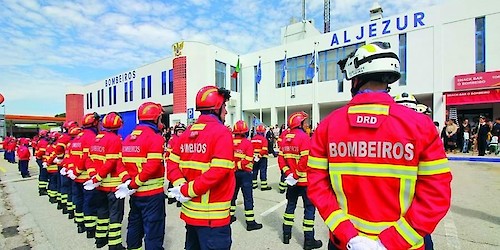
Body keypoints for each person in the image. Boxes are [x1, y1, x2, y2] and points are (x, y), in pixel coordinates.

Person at [307, 42, 452, 250]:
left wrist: (350, 237)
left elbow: (317, 186)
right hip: (405, 245)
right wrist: (389, 243)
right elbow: (437, 195)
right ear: (388, 80)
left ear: (355, 80)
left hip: (345, 243)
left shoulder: (328, 126)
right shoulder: (421, 125)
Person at [167, 85, 235, 250]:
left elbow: (171, 162)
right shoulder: (221, 133)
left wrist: (180, 185)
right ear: (217, 107)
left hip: (191, 214)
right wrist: (187, 190)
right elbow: (218, 171)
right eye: (224, 107)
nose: (226, 112)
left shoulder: (186, 133)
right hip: (212, 219)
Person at [114, 102, 166, 250]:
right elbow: (152, 166)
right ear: (155, 119)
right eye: (160, 118)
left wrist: (127, 181)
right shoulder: (155, 138)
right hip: (152, 195)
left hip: (135, 194)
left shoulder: (129, 137)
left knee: (135, 225)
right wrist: (133, 183)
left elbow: (120, 162)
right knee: (153, 230)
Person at [84, 112, 128, 249]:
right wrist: (98, 177)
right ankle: (114, 244)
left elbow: (89, 160)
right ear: (118, 125)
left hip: (99, 185)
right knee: (115, 215)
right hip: (112, 185)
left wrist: (94, 177)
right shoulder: (115, 140)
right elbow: (111, 163)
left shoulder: (97, 138)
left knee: (102, 212)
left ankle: (100, 238)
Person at [278, 111, 322, 250]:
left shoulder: (284, 138)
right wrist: (297, 174)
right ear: (299, 123)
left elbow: (281, 159)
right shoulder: (304, 137)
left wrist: (288, 173)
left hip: (292, 181)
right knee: (309, 210)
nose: (307, 124)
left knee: (290, 206)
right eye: (305, 122)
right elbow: (305, 159)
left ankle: (286, 235)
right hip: (305, 181)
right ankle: (309, 241)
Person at [230, 120, 263, 231]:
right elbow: (248, 159)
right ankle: (250, 222)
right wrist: (240, 165)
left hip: (233, 173)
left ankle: (229, 216)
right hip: (245, 173)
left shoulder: (230, 142)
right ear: (246, 131)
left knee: (232, 195)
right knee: (248, 198)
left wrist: (234, 166)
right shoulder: (247, 143)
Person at [166, 123, 187, 207]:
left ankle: (179, 200)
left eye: (182, 132)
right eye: (179, 132)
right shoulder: (172, 140)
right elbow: (168, 151)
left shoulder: (186, 140)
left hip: (182, 165)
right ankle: (171, 198)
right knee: (172, 182)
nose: (180, 134)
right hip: (174, 164)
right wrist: (168, 160)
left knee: (182, 183)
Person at [251, 124, 271, 190]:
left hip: (254, 157)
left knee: (254, 170)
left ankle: (254, 184)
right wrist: (259, 156)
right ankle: (263, 186)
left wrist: (255, 157)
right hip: (262, 157)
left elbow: (250, 149)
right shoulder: (264, 139)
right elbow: (264, 149)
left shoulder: (253, 139)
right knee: (263, 171)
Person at [35, 130, 50, 196]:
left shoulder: (40, 141)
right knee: (44, 174)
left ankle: (42, 188)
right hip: (42, 159)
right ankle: (42, 189)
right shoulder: (44, 142)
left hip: (40, 159)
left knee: (42, 174)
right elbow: (42, 151)